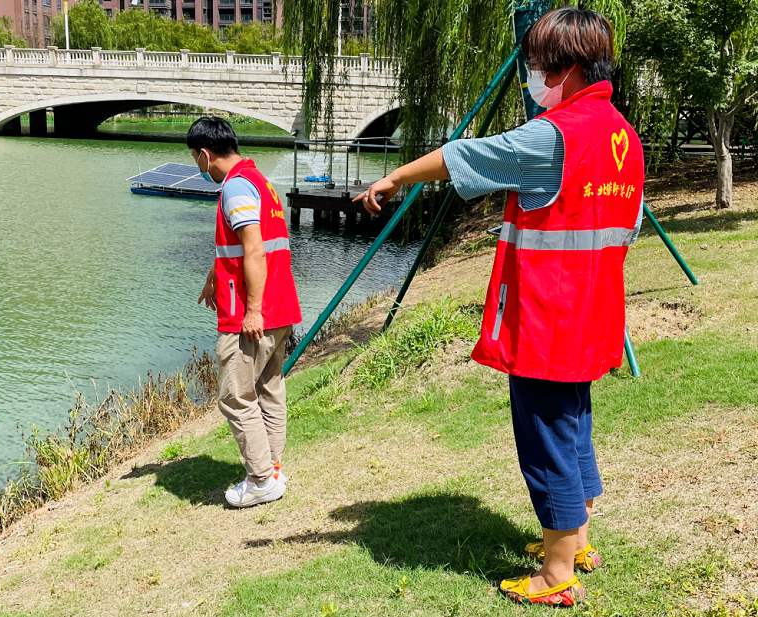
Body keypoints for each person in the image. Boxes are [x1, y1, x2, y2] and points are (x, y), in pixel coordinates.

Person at [357, 8, 644, 607]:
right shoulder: (622, 134)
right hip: (593, 309)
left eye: (537, 65)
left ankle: (556, 575)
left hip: (549, 313)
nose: (532, 76)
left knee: (544, 437)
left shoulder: (556, 133)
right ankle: (576, 541)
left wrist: (394, 179)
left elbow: (471, 157)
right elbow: (626, 226)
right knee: (572, 424)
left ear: (564, 68)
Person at [189, 117, 302, 508]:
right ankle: (270, 469)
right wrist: (213, 278)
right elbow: (240, 247)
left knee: (235, 395)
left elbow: (253, 250)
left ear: (205, 154)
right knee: (269, 387)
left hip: (254, 314)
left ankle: (259, 480)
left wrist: (251, 311)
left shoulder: (234, 187)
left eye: (195, 159)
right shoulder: (259, 182)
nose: (197, 166)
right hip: (281, 305)